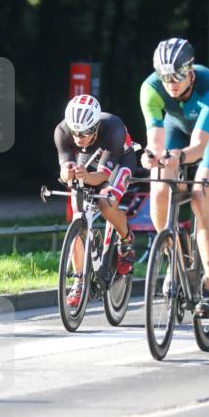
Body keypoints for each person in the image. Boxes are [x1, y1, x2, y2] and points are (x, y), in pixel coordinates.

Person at [139, 37, 209, 316]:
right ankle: (174, 258)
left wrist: (178, 156)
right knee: (159, 188)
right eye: (165, 77)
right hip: (176, 128)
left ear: (190, 71)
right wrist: (152, 156)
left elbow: (198, 148)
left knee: (200, 196)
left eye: (177, 76)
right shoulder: (150, 88)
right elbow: (155, 143)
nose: (171, 83)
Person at [55, 94, 136, 308]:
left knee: (106, 201)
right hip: (88, 159)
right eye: (75, 132)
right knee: (78, 213)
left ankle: (127, 240)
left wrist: (85, 177)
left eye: (85, 132)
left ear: (96, 125)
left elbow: (102, 176)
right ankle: (79, 280)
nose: (79, 137)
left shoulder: (113, 128)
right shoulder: (62, 131)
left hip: (119, 160)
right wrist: (68, 173)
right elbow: (64, 167)